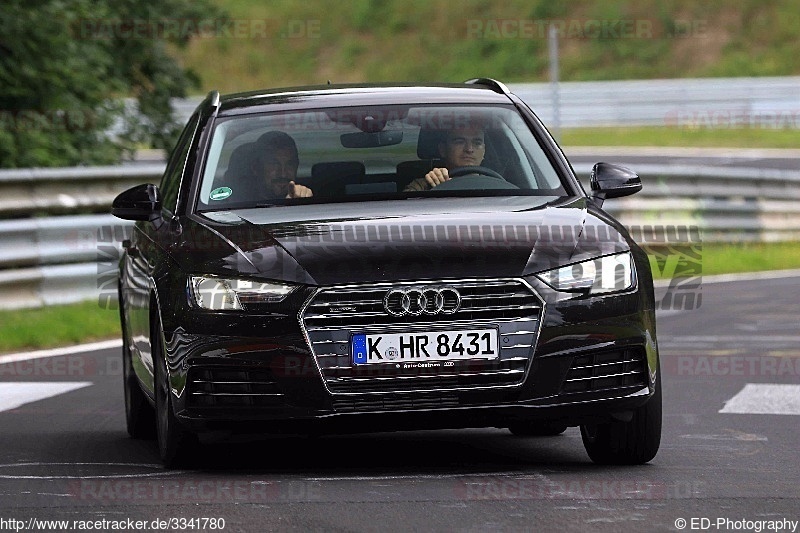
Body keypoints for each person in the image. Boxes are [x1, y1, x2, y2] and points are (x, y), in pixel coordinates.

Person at [404, 125, 486, 192]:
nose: (469, 149)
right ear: (443, 149)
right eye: (460, 142)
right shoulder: (423, 185)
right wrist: (431, 186)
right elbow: (405, 208)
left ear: (484, 152)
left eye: (477, 143)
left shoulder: (497, 184)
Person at [251, 131, 313, 199]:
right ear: (256, 168)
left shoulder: (314, 204)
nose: (283, 174)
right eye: (274, 164)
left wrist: (302, 201)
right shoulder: (241, 203)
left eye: (289, 165)